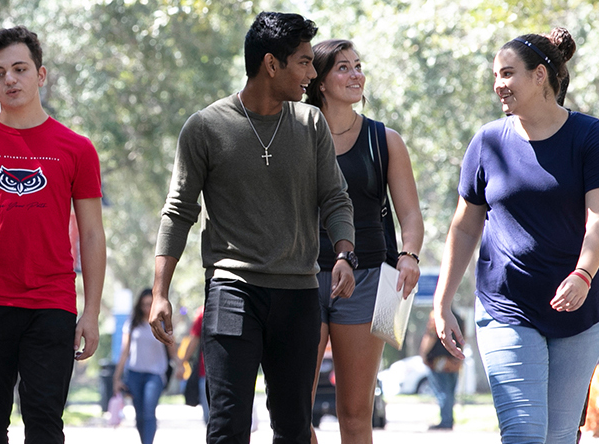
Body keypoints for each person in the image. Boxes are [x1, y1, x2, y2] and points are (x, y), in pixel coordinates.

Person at [149, 12, 357, 444]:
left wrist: (343, 252)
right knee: (227, 425)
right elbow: (178, 212)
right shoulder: (206, 127)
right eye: (303, 61)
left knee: (295, 427)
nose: (311, 72)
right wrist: (160, 293)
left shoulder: (310, 124)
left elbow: (335, 197)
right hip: (232, 290)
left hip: (299, 293)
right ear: (271, 64)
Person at [430, 28, 599, 444]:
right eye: (496, 75)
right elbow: (465, 226)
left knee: (558, 436)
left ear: (540, 77)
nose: (499, 84)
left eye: (508, 73)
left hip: (580, 310)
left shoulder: (591, 137)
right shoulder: (488, 142)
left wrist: (584, 275)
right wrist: (442, 302)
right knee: (523, 434)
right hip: (506, 306)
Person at [0, 26, 107, 444]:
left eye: (19, 69)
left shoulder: (76, 148)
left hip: (52, 303)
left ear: (41, 75)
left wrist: (92, 311)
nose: (9, 79)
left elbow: (92, 233)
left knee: (45, 425)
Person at [301, 38, 425, 444]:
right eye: (343, 67)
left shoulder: (384, 139)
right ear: (320, 81)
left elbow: (409, 214)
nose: (356, 74)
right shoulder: (294, 136)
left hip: (373, 279)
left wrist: (409, 255)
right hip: (299, 278)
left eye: (358, 66)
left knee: (355, 414)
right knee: (293, 410)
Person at [115, 289, 170, 444]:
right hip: (135, 374)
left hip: (155, 374)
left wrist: (180, 365)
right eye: (143, 304)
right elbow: (124, 352)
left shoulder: (162, 324)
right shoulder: (132, 323)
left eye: (149, 304)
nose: (146, 307)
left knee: (148, 412)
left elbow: (172, 349)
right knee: (139, 414)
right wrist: (117, 377)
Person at [420, 321, 464, 430]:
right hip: (455, 360)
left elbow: (431, 336)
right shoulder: (458, 317)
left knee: (442, 391)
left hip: (439, 360)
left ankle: (445, 421)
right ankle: (448, 420)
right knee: (450, 391)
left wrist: (423, 354)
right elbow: (464, 338)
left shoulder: (436, 315)